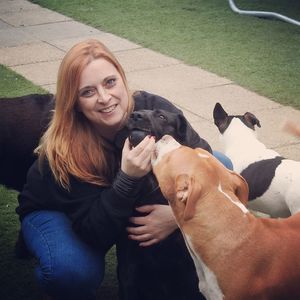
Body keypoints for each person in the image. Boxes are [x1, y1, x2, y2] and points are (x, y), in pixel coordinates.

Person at [16, 39, 232, 300]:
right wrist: (128, 178)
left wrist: (178, 215)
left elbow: (206, 159)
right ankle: (42, 245)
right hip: (58, 209)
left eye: (110, 82)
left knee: (222, 164)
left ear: (122, 78)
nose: (105, 98)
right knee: (72, 271)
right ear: (74, 102)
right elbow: (95, 233)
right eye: (88, 92)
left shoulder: (151, 106)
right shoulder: (66, 148)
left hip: (111, 205)